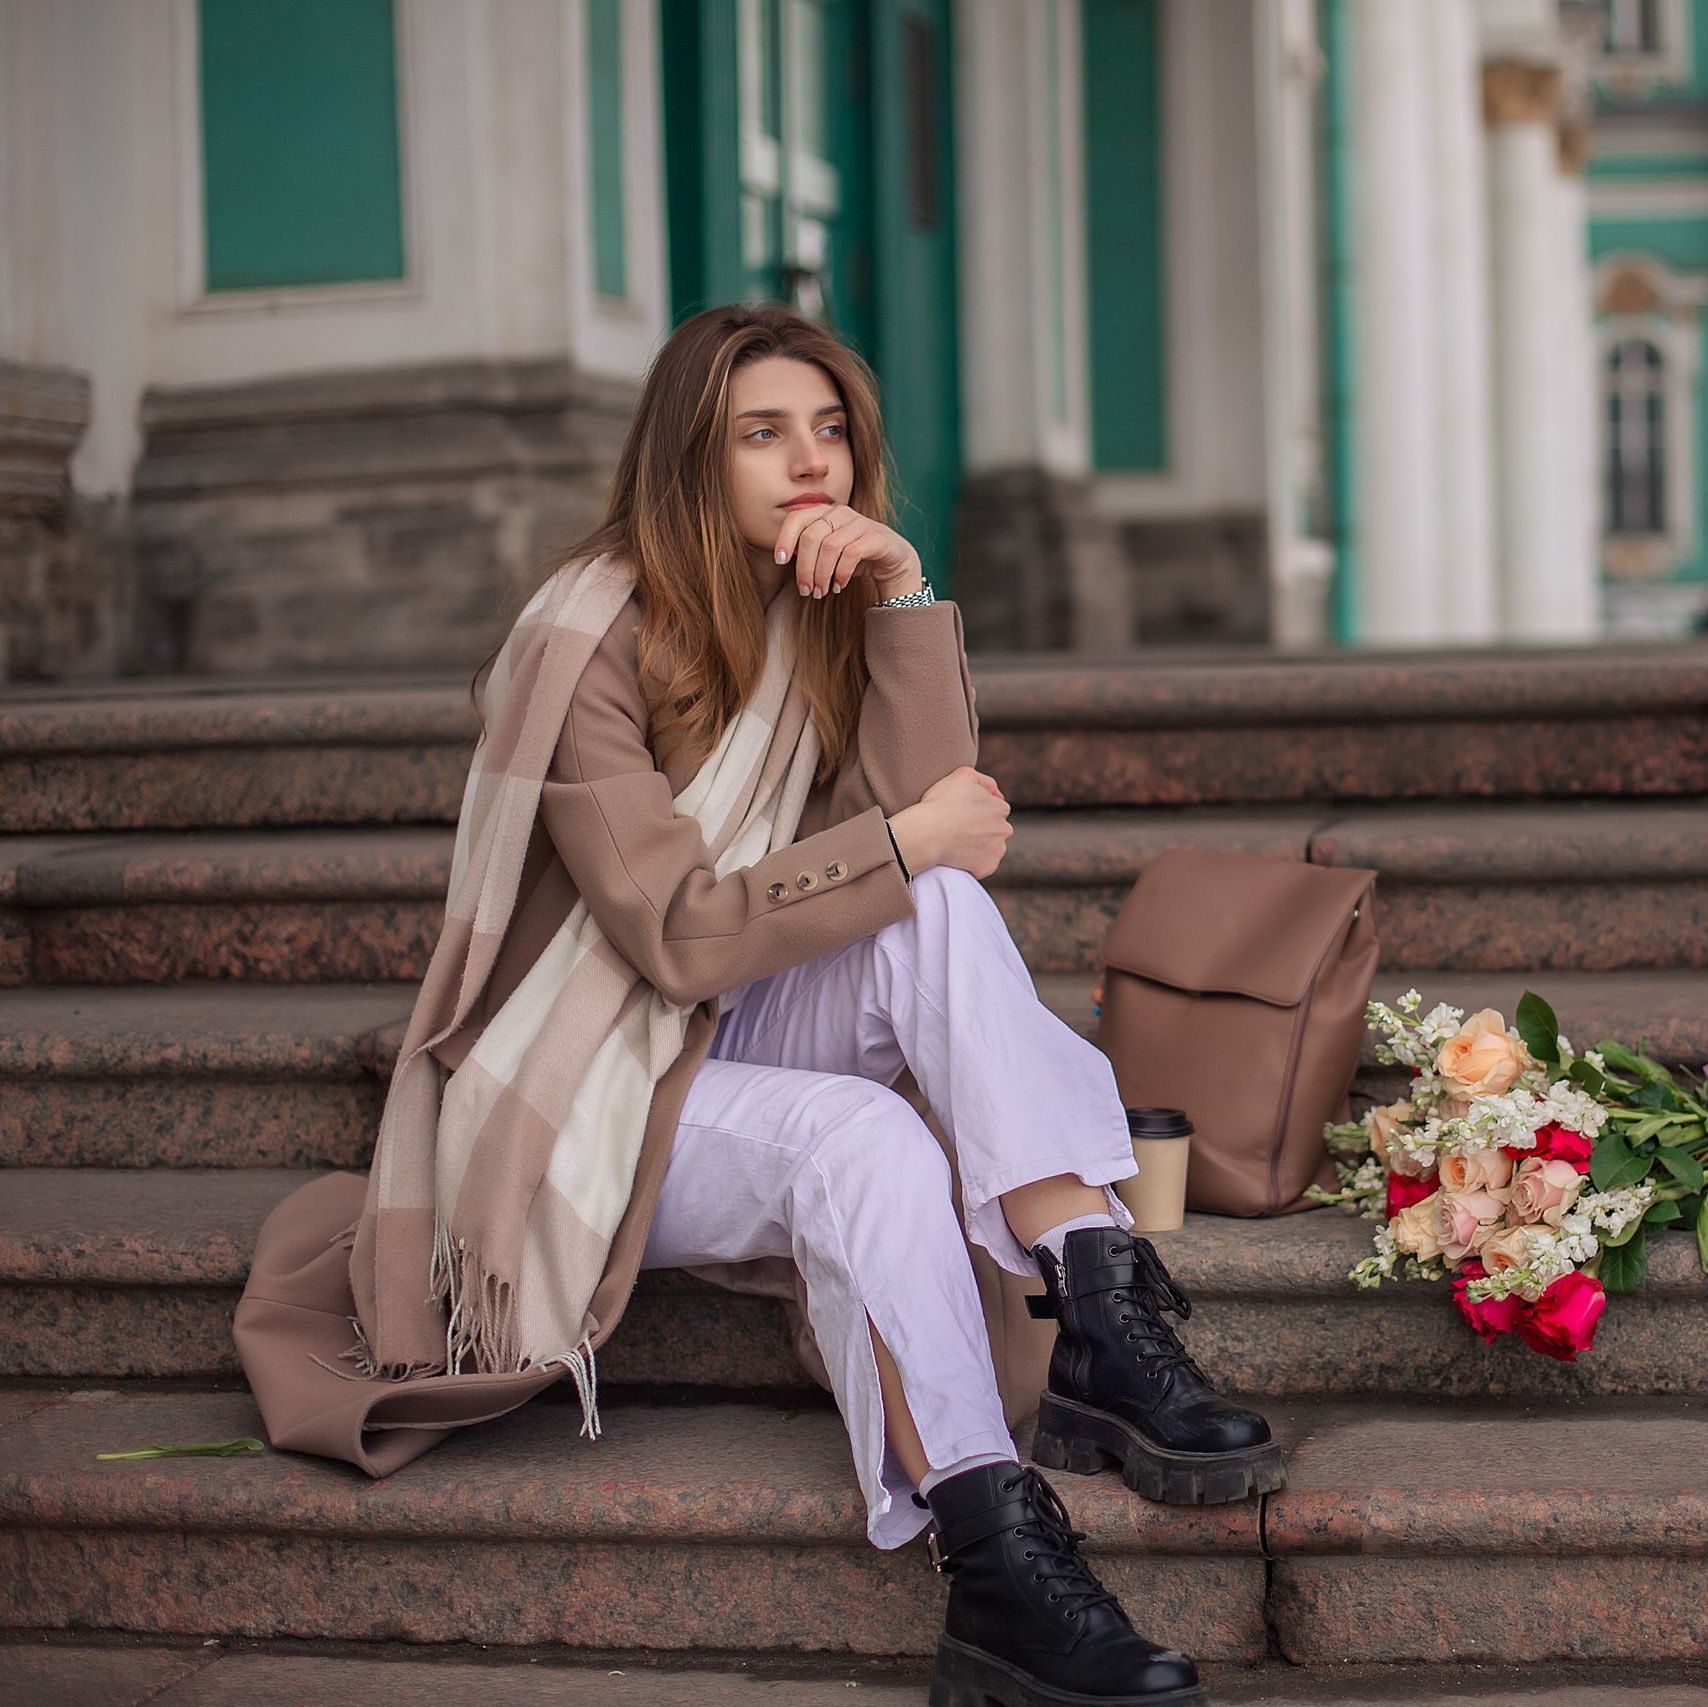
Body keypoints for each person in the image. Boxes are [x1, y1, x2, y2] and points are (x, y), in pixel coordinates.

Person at [234, 304, 1277, 1707]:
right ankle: (999, 1556)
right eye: (764, 433)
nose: (813, 464)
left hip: (730, 1030)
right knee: (868, 1134)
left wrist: (902, 597)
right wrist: (908, 845)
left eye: (833, 429)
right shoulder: (580, 642)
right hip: (593, 1087)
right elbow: (675, 935)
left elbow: (921, 829)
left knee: (944, 909)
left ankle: (1095, 1298)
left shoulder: (814, 609)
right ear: (689, 459)